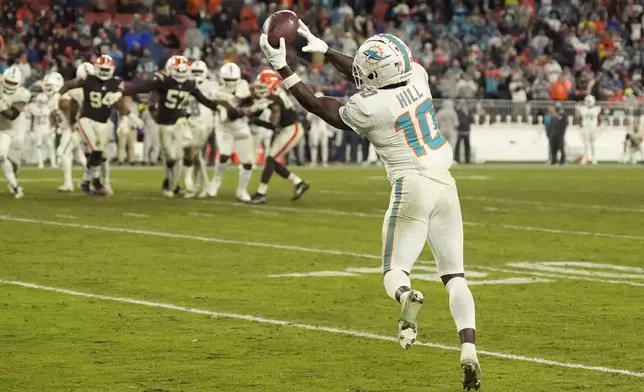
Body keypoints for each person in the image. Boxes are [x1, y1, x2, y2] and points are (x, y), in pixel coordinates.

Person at [259, 23, 481, 390]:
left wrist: (283, 66)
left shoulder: (369, 107)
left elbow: (318, 105)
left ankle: (406, 297)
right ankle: (468, 349)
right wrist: (325, 50)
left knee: (394, 270)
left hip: (410, 184)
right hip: (445, 183)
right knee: (455, 276)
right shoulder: (420, 76)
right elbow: (368, 73)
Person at [121, 55, 239, 198]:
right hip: (164, 123)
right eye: (178, 70)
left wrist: (218, 108)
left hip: (180, 121)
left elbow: (202, 99)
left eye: (184, 70)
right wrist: (125, 91)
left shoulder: (189, 83)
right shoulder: (164, 81)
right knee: (171, 157)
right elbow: (145, 86)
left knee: (188, 148)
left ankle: (182, 181)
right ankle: (170, 182)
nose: (181, 73)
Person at [247, 69, 310, 205]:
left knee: (270, 159)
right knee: (272, 162)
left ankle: (261, 193)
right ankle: (299, 183)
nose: (260, 88)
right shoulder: (275, 94)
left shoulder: (274, 98)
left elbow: (273, 125)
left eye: (262, 85)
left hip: (292, 129)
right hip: (288, 129)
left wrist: (255, 119)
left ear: (271, 84)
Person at [204, 63, 254, 202]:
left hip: (241, 127)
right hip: (224, 127)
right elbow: (216, 103)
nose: (230, 82)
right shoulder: (216, 90)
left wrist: (227, 102)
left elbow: (242, 99)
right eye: (228, 79)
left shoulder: (242, 85)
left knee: (248, 162)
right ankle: (216, 181)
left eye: (233, 79)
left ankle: (242, 190)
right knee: (224, 155)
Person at [0, 66, 31, 198]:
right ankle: (15, 186)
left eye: (13, 83)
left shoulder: (22, 93)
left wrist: (1, 106)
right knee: (1, 155)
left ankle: (14, 182)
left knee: (13, 161)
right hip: (1, 128)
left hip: (13, 128)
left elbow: (13, 114)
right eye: (8, 82)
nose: (10, 85)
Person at [577, 95, 601, 165]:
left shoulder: (597, 109)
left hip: (593, 128)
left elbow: (599, 119)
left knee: (593, 144)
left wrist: (598, 126)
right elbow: (580, 118)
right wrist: (581, 126)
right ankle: (585, 157)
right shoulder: (583, 109)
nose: (589, 102)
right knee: (586, 144)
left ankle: (594, 158)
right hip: (585, 128)